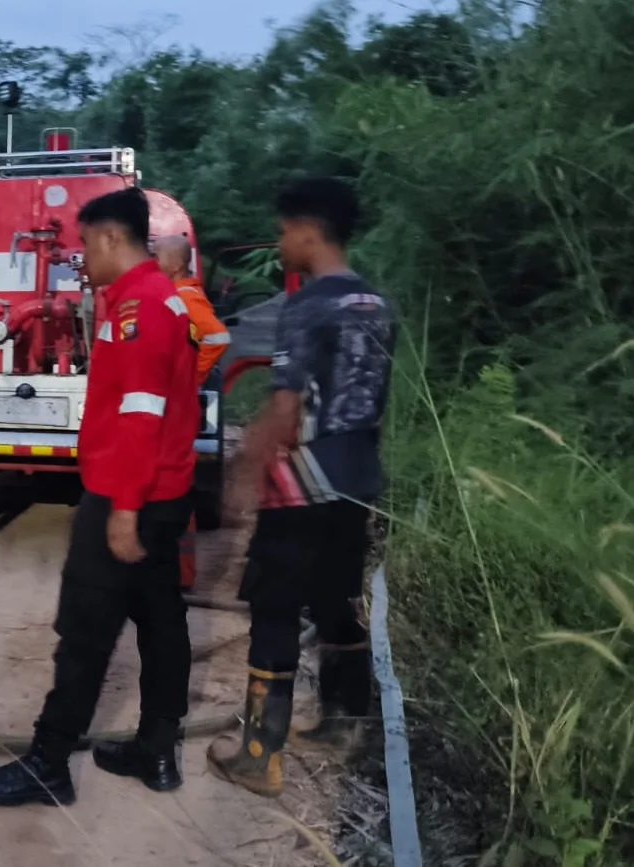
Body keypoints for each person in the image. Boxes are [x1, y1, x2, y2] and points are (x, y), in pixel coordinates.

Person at [0, 187, 202, 806]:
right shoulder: (155, 300)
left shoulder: (141, 309)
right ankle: (157, 751)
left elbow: (140, 416)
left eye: (84, 245)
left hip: (130, 495)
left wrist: (123, 507)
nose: (79, 258)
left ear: (110, 239)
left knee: (85, 631)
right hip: (163, 494)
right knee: (161, 623)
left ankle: (48, 762)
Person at [207, 177, 396, 797]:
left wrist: (245, 473)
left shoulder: (308, 306)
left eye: (285, 229)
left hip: (301, 488)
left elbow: (286, 409)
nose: (281, 240)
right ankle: (345, 725)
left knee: (275, 607)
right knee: (338, 599)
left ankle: (261, 757)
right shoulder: (376, 304)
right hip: (355, 482)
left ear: (309, 231)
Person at [156, 233, 231, 386]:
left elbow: (219, 337)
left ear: (175, 265)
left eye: (155, 257)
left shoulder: (186, 298)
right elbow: (192, 337)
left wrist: (192, 375)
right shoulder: (178, 295)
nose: (150, 263)